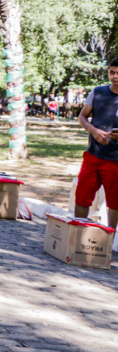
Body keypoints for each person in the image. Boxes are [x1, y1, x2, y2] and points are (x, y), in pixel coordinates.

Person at [74, 58, 118, 229]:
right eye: (112, 72)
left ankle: (108, 240)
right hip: (93, 155)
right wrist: (93, 130)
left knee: (114, 203)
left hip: (115, 160)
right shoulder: (98, 92)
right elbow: (82, 117)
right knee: (82, 196)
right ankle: (76, 233)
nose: (115, 76)